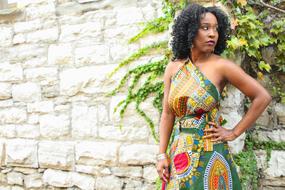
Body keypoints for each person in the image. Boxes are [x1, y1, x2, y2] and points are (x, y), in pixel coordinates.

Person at [156, 4, 272, 190]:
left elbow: (262, 96)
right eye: (205, 28)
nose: (212, 34)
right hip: (179, 153)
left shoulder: (222, 66)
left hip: (210, 153)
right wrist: (161, 154)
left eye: (216, 29)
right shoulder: (174, 67)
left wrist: (233, 132)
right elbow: (168, 114)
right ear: (190, 30)